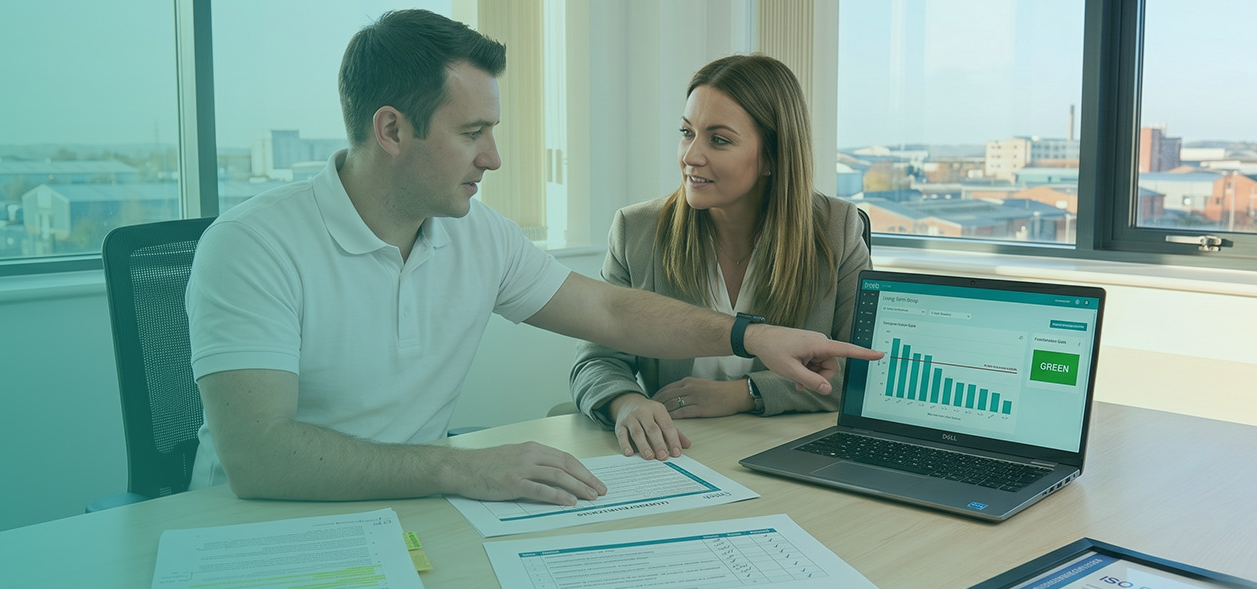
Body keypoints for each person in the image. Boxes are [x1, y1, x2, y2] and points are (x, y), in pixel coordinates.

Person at [185, 11, 881, 507]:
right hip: (262, 532)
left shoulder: (475, 234)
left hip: (418, 513)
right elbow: (259, 457)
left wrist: (748, 335)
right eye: (472, 132)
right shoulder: (254, 245)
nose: (493, 157)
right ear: (392, 129)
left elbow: (608, 311)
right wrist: (465, 467)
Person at [569, 54, 872, 461]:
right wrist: (626, 401)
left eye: (719, 139)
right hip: (676, 454)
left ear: (771, 156)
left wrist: (743, 394)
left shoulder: (837, 229)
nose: (690, 156)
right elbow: (597, 359)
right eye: (686, 132)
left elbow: (859, 372)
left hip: (786, 454)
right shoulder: (636, 230)